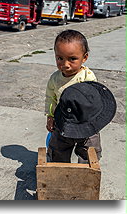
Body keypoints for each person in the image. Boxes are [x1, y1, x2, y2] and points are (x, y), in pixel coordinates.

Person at [45, 29, 99, 162]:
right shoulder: (55, 79)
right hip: (63, 121)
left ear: (84, 57)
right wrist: (50, 115)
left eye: (72, 59)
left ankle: (86, 172)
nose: (65, 64)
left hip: (85, 121)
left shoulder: (87, 77)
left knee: (89, 150)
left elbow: (94, 101)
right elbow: (51, 98)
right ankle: (60, 169)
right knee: (58, 148)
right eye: (60, 58)